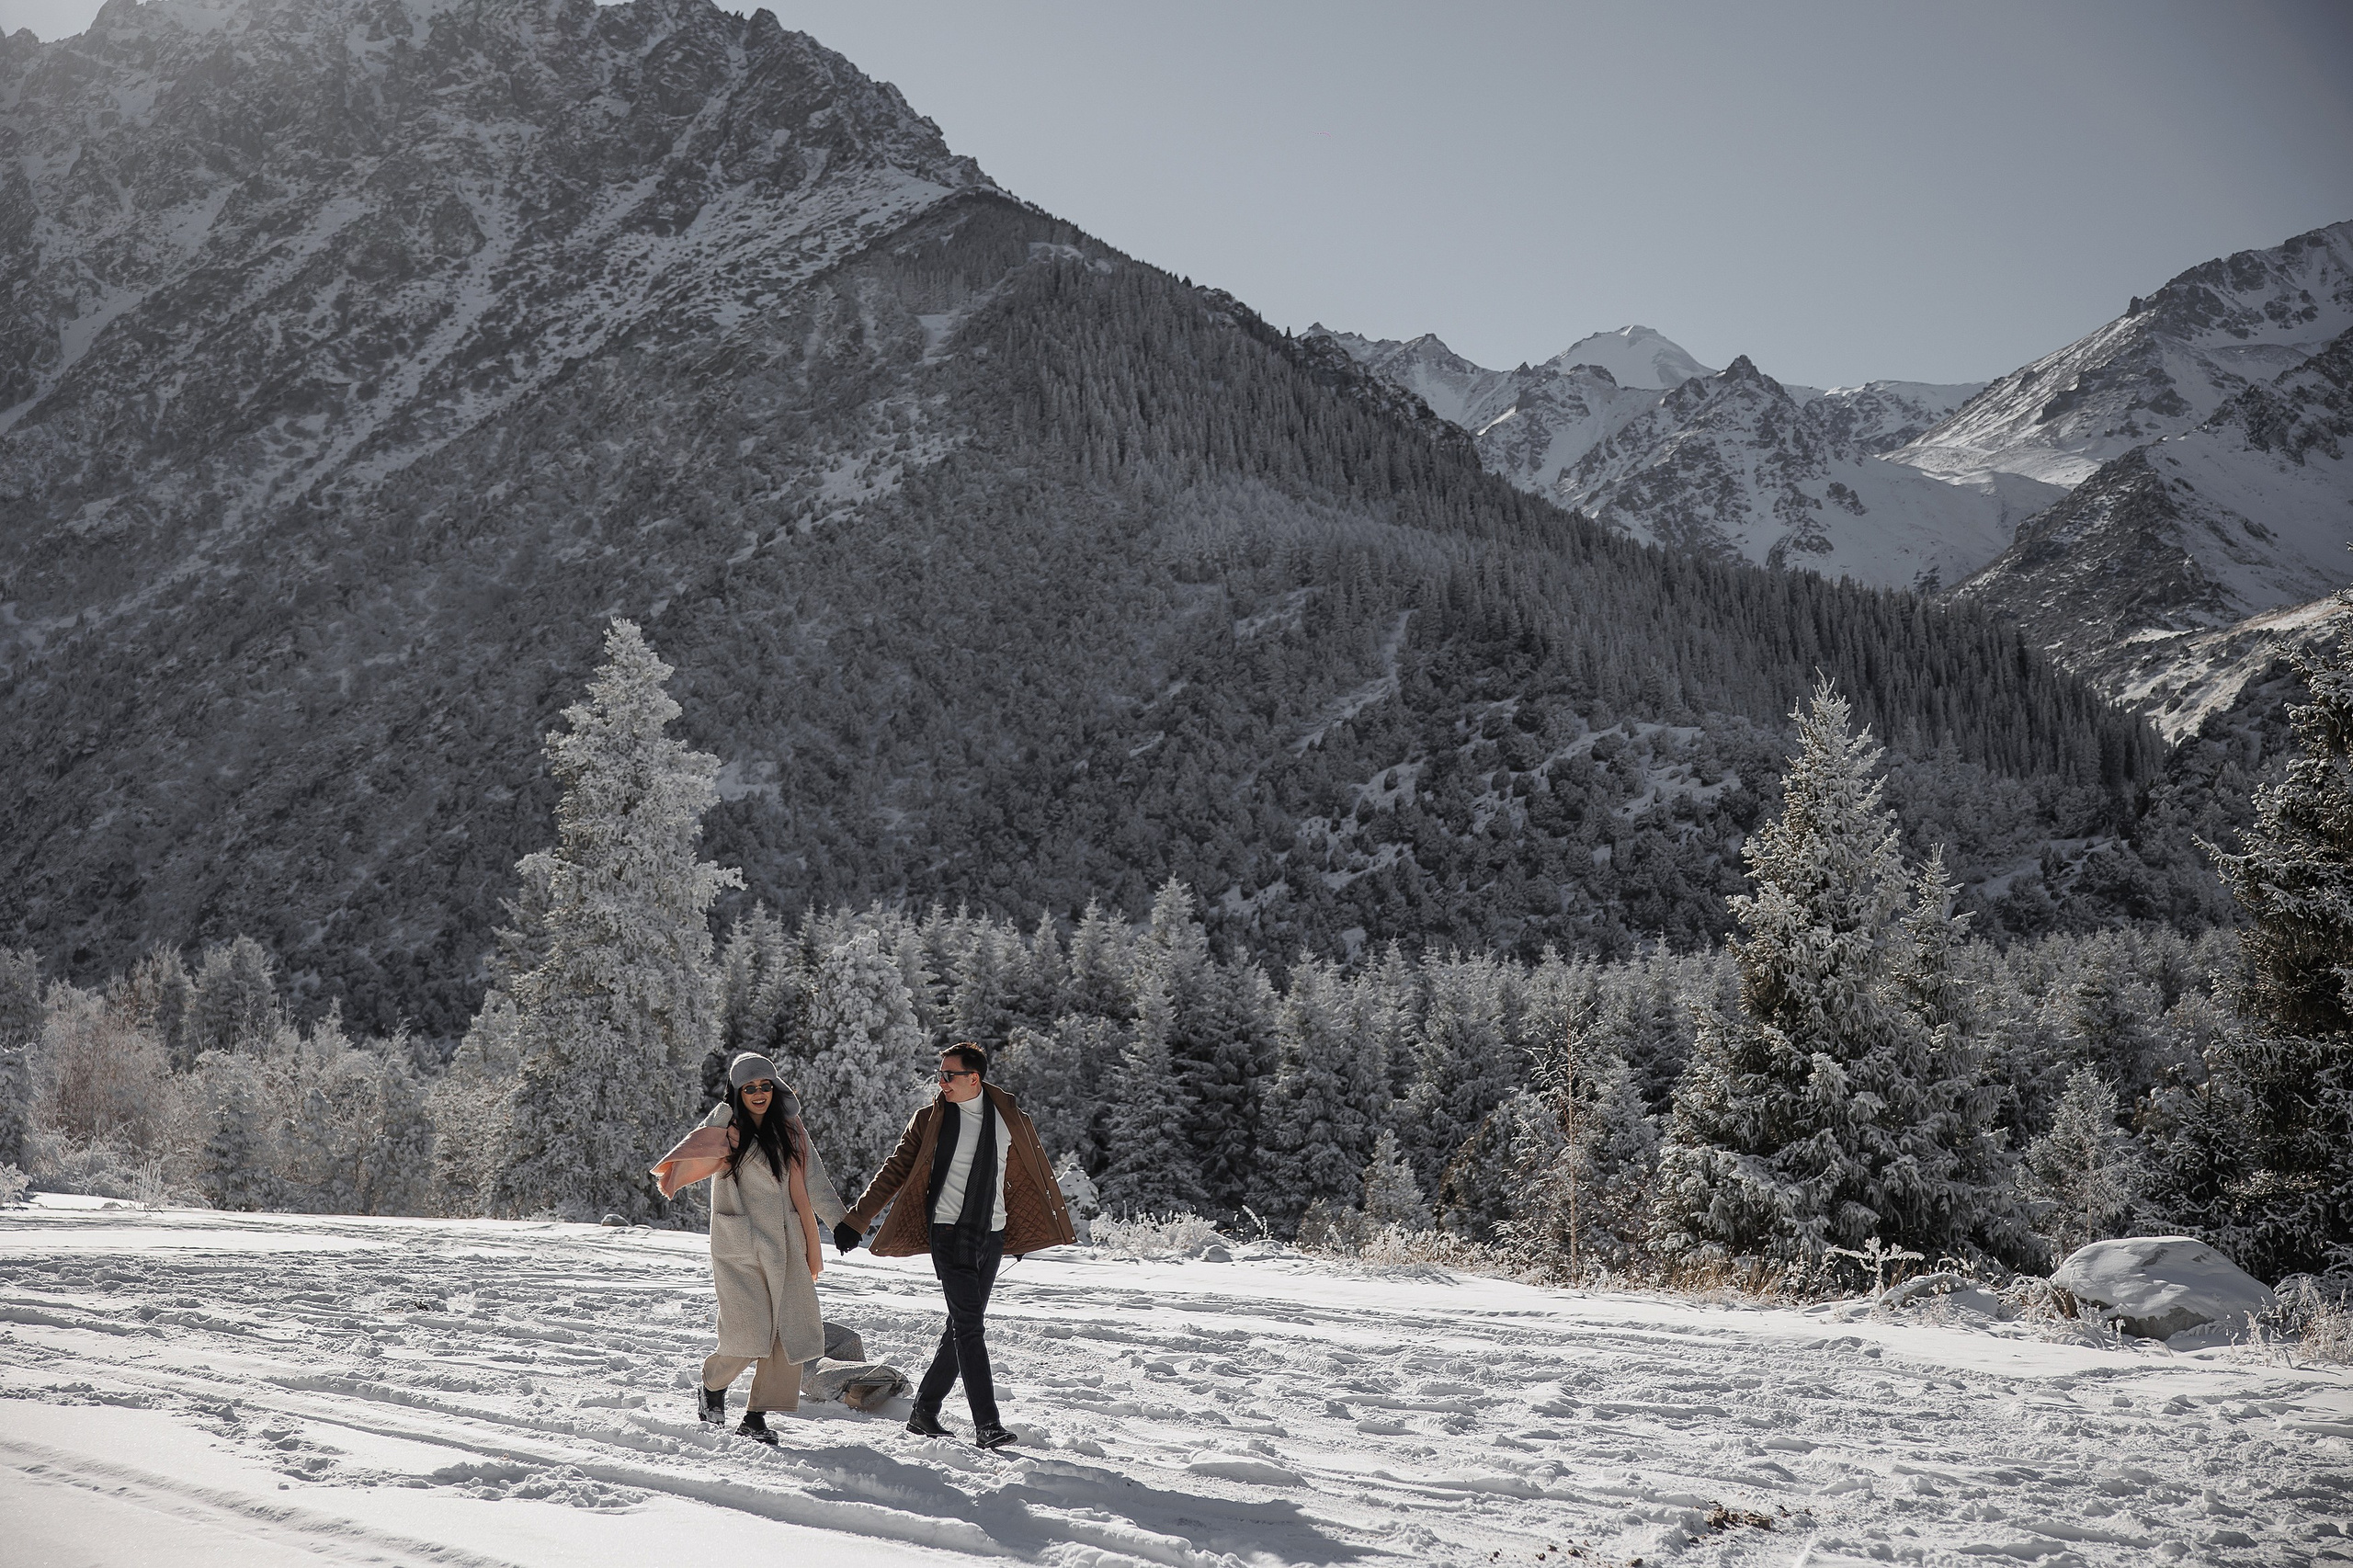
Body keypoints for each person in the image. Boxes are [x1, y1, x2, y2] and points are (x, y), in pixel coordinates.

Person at [835, 1042, 1076, 1449]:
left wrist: (1028, 1231)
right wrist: (856, 1220)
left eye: (949, 1075)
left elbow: (1027, 1178)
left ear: (973, 1078)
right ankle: (987, 1424)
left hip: (992, 1233)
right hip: (948, 1232)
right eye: (939, 1075)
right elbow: (895, 1170)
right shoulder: (931, 1119)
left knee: (961, 1326)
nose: (941, 1082)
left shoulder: (1011, 1119)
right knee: (970, 1327)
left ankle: (924, 1411)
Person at [650, 1052, 842, 1446]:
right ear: (736, 1093)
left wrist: (842, 1224)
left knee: (786, 1333)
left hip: (788, 1245)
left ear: (775, 1088)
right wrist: (724, 1110)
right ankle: (712, 1384)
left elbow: (816, 1181)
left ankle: (755, 1417)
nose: (758, 1093)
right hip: (740, 1246)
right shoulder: (726, 1131)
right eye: (748, 1087)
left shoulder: (791, 1130)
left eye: (764, 1085)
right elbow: (691, 1154)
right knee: (748, 1335)